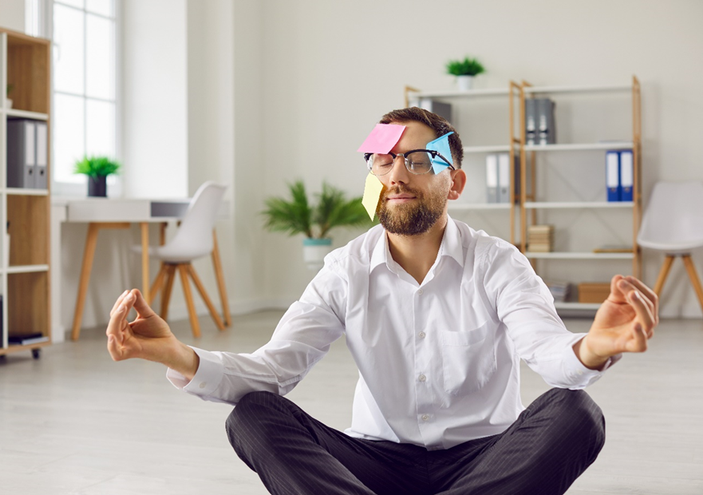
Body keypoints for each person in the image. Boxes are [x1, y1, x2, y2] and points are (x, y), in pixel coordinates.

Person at [106, 107, 658, 495]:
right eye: (382, 160)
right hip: (375, 462)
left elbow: (550, 356)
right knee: (253, 416)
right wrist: (179, 355)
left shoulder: (498, 262)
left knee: (577, 411)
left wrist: (594, 346)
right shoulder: (344, 268)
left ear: (455, 182)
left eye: (418, 160)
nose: (396, 175)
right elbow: (272, 372)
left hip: (483, 460)